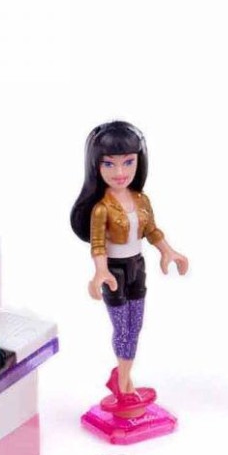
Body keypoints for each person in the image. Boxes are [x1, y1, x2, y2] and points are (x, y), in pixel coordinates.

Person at [69, 120, 188, 401]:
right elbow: (98, 244)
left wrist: (168, 251)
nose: (120, 172)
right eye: (109, 164)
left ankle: (122, 377)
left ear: (139, 161)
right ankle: (124, 384)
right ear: (96, 166)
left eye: (128, 162)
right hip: (115, 272)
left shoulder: (141, 199)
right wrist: (101, 272)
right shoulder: (101, 209)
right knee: (122, 330)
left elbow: (152, 231)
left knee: (136, 327)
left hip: (137, 267)